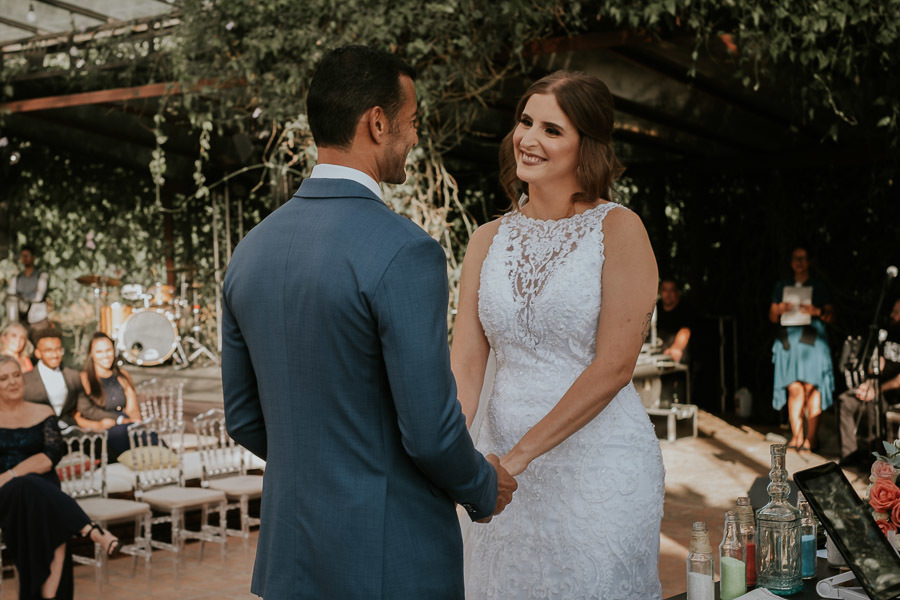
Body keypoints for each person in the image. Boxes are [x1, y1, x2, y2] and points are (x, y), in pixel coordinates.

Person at [221, 45, 516, 600]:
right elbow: (429, 431)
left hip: (290, 561)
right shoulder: (405, 251)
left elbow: (242, 417)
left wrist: (324, 465)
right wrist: (481, 483)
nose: (414, 138)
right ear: (376, 124)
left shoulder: (249, 252)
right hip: (389, 560)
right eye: (412, 123)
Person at [451, 71, 665, 599]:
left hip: (597, 470)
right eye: (526, 122)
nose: (529, 139)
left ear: (585, 147)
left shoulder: (620, 229)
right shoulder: (485, 240)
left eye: (552, 129)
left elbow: (614, 367)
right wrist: (453, 457)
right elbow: (466, 365)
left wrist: (519, 457)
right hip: (496, 472)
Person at [0, 355, 120, 600]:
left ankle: (47, 595)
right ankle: (90, 530)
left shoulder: (43, 412)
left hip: (41, 491)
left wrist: (10, 474)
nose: (12, 382)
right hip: (6, 498)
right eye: (3, 378)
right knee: (35, 493)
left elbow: (50, 458)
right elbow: (38, 462)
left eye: (16, 375)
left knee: (34, 491)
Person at [769, 245, 835, 451]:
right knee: (794, 388)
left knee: (811, 387)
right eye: (796, 258)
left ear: (809, 261)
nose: (799, 262)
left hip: (813, 340)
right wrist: (780, 309)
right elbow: (772, 316)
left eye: (803, 258)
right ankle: (797, 436)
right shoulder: (782, 285)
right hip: (789, 340)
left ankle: (811, 438)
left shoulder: (819, 286)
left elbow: (830, 316)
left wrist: (816, 311)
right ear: (791, 262)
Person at [839, 297, 900, 468]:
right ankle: (850, 454)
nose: (892, 315)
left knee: (874, 406)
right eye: (893, 310)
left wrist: (876, 390)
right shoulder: (886, 334)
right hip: (874, 387)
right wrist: (868, 383)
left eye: (897, 312)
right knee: (846, 400)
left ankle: (873, 459)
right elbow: (871, 365)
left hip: (891, 393)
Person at [73, 332, 142, 462]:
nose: (105, 355)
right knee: (121, 437)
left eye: (108, 350)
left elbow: (133, 411)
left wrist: (135, 422)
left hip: (126, 426)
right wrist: (98, 425)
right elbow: (78, 417)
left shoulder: (123, 376)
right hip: (102, 431)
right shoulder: (84, 379)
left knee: (145, 436)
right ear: (91, 354)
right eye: (99, 352)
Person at [24, 329, 83, 429]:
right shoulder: (25, 379)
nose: (55, 355)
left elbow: (84, 407)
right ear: (38, 353)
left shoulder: (73, 375)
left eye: (58, 349)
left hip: (69, 432)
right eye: (48, 350)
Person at [6, 245, 51, 331]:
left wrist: (20, 297)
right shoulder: (17, 278)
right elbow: (11, 296)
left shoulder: (41, 276)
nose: (24, 258)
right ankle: (11, 327)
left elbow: (38, 297)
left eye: (27, 256)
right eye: (23, 256)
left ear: (33, 257)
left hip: (38, 318)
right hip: (20, 319)